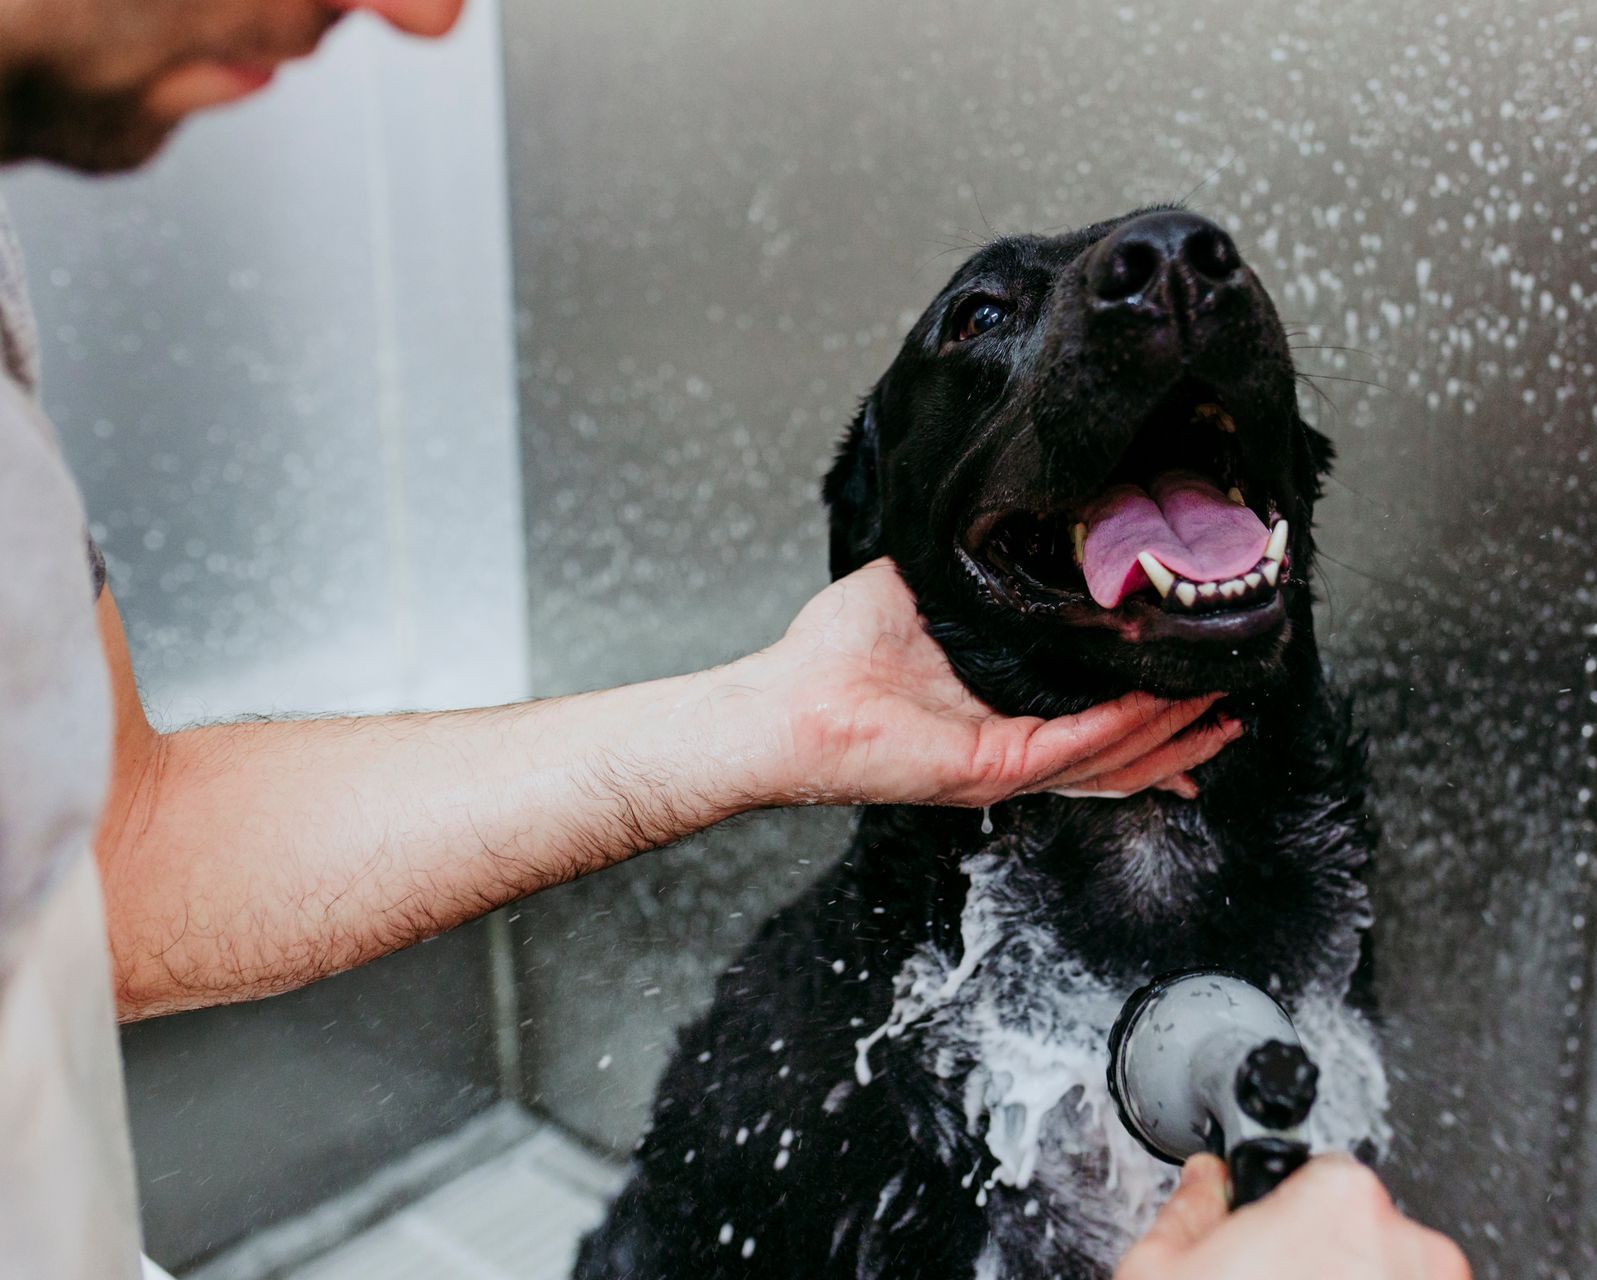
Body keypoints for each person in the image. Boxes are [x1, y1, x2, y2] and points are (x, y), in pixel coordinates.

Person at [0, 1, 1469, 1277]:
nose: (436, 20)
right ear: (875, 532)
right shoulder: (848, 1051)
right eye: (985, 322)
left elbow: (111, 845)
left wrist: (787, 713)